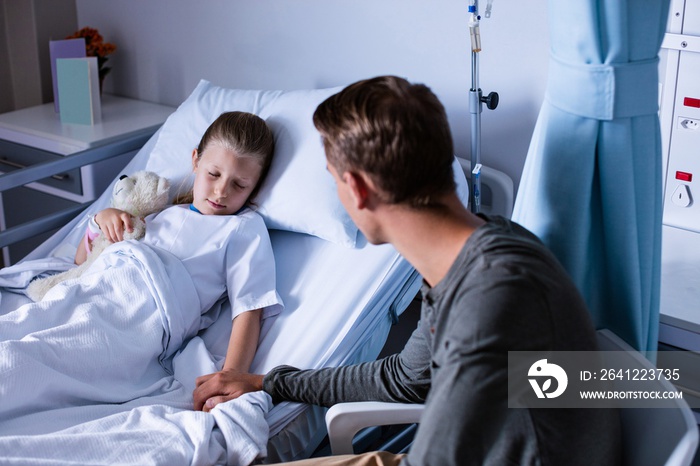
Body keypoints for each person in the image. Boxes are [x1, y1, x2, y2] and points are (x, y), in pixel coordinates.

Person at [192, 76, 621, 465]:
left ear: (358, 190)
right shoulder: (474, 251)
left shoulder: (489, 303)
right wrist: (267, 383)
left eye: (333, 179)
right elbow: (405, 379)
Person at [76, 110, 282, 379]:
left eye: (239, 185)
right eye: (213, 174)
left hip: (142, 316)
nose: (221, 191)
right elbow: (81, 264)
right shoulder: (162, 212)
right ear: (196, 160)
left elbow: (249, 308)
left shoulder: (242, 228)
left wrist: (232, 373)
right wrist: (99, 221)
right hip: (94, 291)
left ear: (255, 187)